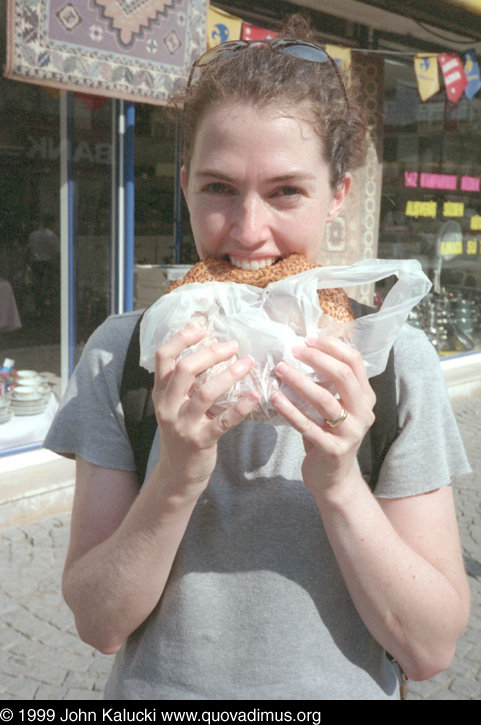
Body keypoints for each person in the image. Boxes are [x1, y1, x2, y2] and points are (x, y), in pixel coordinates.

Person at [44, 16, 471, 701]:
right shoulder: (123, 355)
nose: (247, 232)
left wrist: (336, 479)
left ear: (339, 195)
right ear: (183, 185)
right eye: (217, 187)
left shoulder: (392, 362)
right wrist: (178, 473)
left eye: (285, 191)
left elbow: (426, 649)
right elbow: (98, 624)